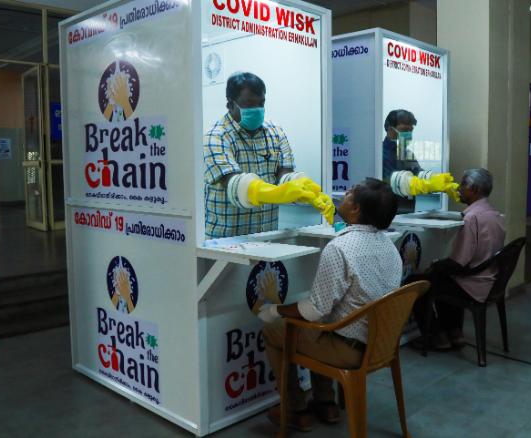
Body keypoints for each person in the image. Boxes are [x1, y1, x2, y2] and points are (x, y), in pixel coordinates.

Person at [257, 178, 403, 432]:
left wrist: (275, 310)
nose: (344, 193)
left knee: (275, 329)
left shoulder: (340, 248)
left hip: (349, 350)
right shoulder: (389, 246)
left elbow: (314, 310)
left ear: (356, 209)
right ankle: (326, 403)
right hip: (381, 345)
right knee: (324, 324)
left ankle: (294, 410)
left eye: (350, 193)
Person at [204, 72, 333, 239]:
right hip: (226, 241)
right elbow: (234, 184)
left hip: (267, 237)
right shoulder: (216, 136)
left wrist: (303, 187)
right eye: (249, 104)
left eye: (261, 103)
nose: (257, 109)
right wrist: (279, 193)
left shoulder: (275, 132)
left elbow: (283, 175)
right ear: (230, 104)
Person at [410, 168, 506, 350]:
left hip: (474, 283)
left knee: (417, 285)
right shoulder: (495, 214)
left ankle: (436, 337)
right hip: (490, 280)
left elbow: (458, 262)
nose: (458, 188)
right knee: (443, 277)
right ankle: (455, 333)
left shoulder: (472, 218)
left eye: (463, 184)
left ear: (475, 189)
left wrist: (433, 266)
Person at [382, 109, 421, 180]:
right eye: (405, 130)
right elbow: (390, 183)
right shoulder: (380, 154)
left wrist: (431, 178)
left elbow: (419, 173)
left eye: (411, 130)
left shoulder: (408, 154)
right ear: (390, 130)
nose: (409, 134)